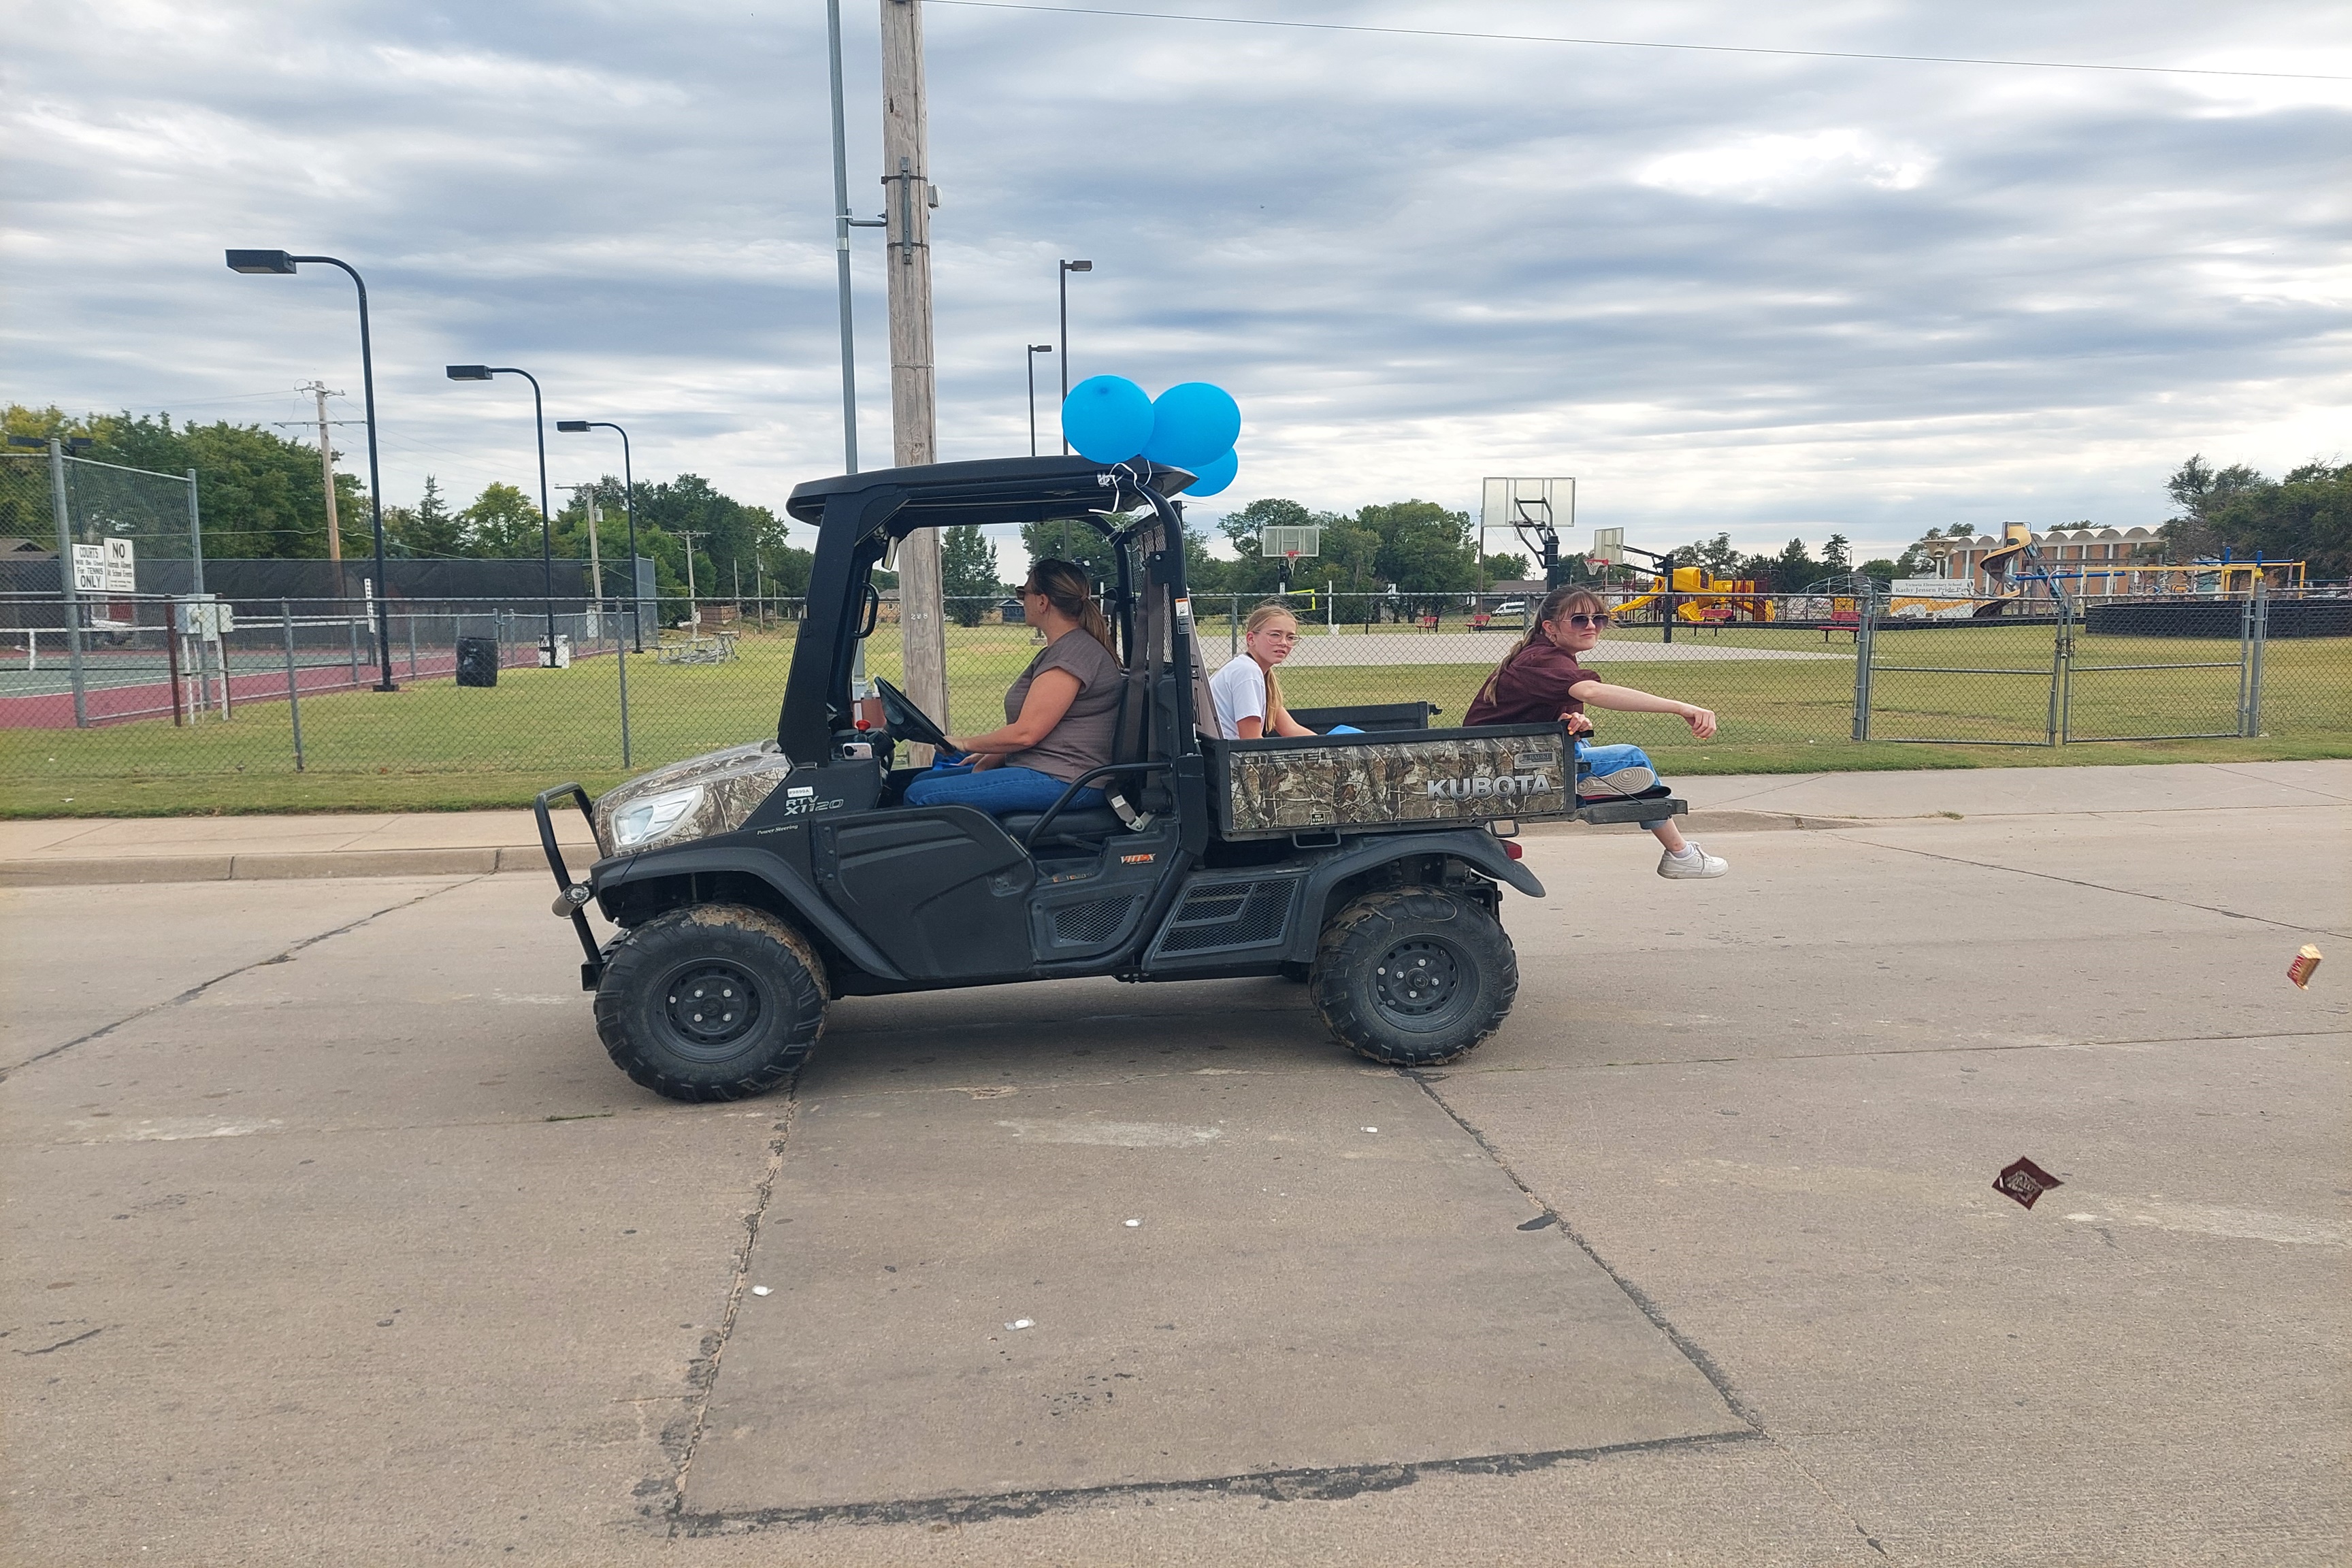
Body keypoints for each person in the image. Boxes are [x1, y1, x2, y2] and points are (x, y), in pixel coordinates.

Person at [1465, 585, 1729, 879]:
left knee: (1588, 751)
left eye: (1599, 618)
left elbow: (1541, 714)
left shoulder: (1547, 655)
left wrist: (1574, 721)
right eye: (1579, 620)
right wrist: (1681, 708)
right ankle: (1680, 853)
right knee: (1632, 759)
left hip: (1508, 755)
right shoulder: (1541, 659)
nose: (1591, 626)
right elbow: (1592, 692)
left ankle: (1592, 783)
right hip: (1504, 763)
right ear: (1550, 627)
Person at [903, 559, 1122, 815]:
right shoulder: (1064, 649)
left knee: (921, 796)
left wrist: (963, 742)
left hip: (1066, 779)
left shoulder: (1073, 655)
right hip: (1047, 767)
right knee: (920, 781)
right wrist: (990, 757)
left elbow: (1026, 734)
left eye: (1022, 593)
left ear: (1042, 602)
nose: (1021, 601)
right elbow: (1037, 729)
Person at [1210, 602, 1318, 740]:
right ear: (1251, 639)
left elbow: (1291, 729)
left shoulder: (1253, 670)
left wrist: (1330, 747)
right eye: (1275, 635)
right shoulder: (1247, 672)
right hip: (1228, 753)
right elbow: (1251, 742)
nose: (1284, 643)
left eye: (1290, 637)